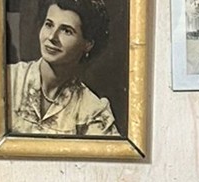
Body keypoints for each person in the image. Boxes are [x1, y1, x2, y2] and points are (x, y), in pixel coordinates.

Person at [7, 0, 118, 137]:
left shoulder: (93, 111)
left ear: (88, 44)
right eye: (49, 25)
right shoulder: (8, 79)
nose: (52, 37)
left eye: (66, 31)